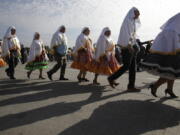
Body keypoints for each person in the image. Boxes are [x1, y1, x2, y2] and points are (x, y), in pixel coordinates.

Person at [141, 13, 180, 98]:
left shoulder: (174, 23)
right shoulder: (172, 29)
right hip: (172, 44)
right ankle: (156, 86)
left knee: (171, 70)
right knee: (172, 70)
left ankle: (168, 89)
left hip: (171, 43)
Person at [108, 7, 141, 91]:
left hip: (131, 46)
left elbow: (133, 36)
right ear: (132, 13)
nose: (138, 15)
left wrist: (134, 44)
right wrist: (129, 45)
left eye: (139, 14)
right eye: (137, 13)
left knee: (133, 67)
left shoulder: (133, 23)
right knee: (127, 65)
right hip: (126, 47)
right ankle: (111, 78)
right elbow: (126, 35)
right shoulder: (127, 21)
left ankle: (131, 86)